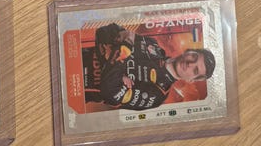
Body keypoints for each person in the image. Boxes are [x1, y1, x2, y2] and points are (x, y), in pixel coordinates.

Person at [83, 23, 216, 110]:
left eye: (195, 70)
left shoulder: (157, 95)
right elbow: (103, 31)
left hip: (79, 87)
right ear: (188, 51)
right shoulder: (152, 44)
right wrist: (116, 69)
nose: (190, 64)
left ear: (191, 80)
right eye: (194, 57)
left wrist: (122, 48)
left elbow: (109, 91)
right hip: (77, 54)